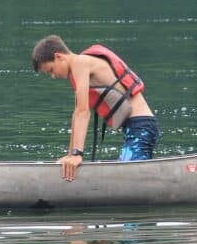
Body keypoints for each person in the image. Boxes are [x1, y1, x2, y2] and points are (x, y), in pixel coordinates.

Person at [31, 35, 160, 182]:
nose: (53, 76)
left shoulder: (80, 62)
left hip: (141, 127)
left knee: (128, 178)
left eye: (51, 70)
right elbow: (76, 114)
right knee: (130, 173)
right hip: (138, 127)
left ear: (59, 56)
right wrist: (70, 156)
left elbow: (83, 112)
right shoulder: (78, 71)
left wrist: (77, 154)